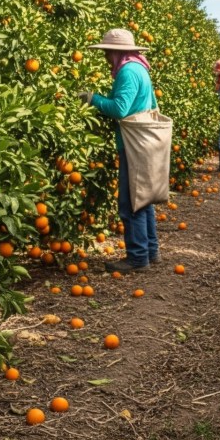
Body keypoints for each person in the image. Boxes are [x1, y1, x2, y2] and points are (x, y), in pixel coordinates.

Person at [80, 28, 159, 272]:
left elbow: (120, 109)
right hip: (146, 140)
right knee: (144, 198)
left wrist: (93, 99)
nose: (105, 58)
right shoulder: (140, 68)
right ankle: (151, 251)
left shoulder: (127, 71)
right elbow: (153, 104)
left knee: (131, 201)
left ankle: (137, 258)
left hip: (134, 143)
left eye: (107, 53)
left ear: (115, 53)